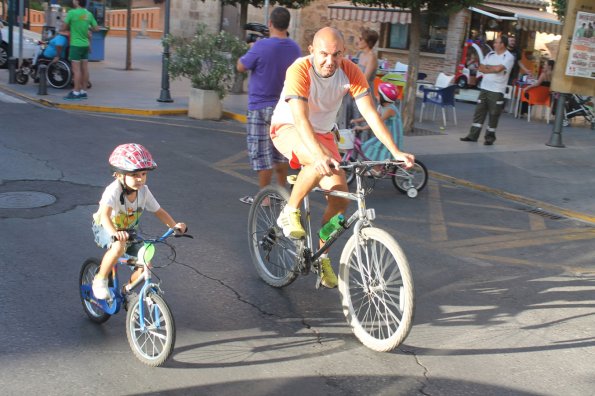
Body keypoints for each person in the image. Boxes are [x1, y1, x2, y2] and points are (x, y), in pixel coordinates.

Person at [269, 27, 414, 288]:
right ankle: (289, 210)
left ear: (343, 53)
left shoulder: (350, 71)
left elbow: (370, 113)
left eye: (336, 55)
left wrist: (395, 151)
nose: (329, 61)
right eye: (323, 54)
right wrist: (318, 154)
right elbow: (300, 119)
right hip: (289, 127)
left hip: (324, 134)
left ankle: (322, 256)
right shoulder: (299, 70)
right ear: (312, 51)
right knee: (317, 161)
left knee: (339, 201)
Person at [91, 143, 187, 300]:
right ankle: (100, 279)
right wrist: (115, 233)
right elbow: (105, 216)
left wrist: (174, 226)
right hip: (105, 227)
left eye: (143, 174)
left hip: (128, 232)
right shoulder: (113, 190)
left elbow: (159, 212)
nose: (140, 179)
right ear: (119, 175)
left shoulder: (144, 191)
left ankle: (126, 290)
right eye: (135, 175)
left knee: (145, 265)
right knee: (118, 248)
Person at [236, 7, 301, 204]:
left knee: (262, 154)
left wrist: (250, 49)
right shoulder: (295, 48)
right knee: (281, 153)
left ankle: (264, 198)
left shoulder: (260, 46)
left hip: (259, 106)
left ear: (270, 24)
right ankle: (283, 196)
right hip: (284, 107)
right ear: (287, 25)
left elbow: (241, 66)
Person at [460, 35, 514, 146]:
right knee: (479, 113)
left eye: (496, 43)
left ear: (502, 44)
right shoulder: (490, 54)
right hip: (484, 88)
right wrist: (493, 68)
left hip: (497, 90)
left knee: (493, 114)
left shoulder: (508, 57)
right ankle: (472, 136)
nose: (494, 44)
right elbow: (481, 68)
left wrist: (489, 68)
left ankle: (489, 138)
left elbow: (499, 69)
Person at [350, 83, 403, 170]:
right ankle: (377, 169)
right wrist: (357, 120)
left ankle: (377, 170)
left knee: (373, 147)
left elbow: (376, 122)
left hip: (391, 136)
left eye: (379, 95)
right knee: (374, 149)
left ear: (384, 98)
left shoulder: (390, 110)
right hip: (386, 133)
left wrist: (361, 128)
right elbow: (371, 116)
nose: (376, 96)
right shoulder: (381, 107)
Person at [61, 0, 99, 101]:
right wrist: (86, 29)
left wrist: (70, 26)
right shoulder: (88, 14)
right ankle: (83, 92)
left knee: (76, 70)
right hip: (85, 45)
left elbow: (64, 27)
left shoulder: (71, 13)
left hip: (75, 45)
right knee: (85, 69)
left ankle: (76, 92)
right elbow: (96, 28)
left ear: (77, 1)